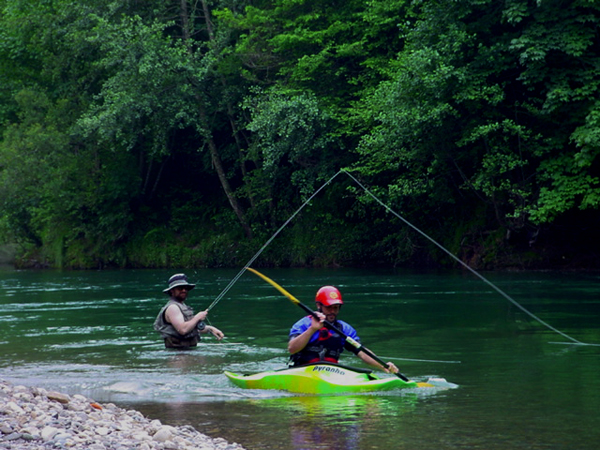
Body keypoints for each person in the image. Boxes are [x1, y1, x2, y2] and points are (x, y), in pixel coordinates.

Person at [288, 285, 399, 374]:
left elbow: (361, 352)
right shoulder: (303, 324)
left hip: (332, 372)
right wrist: (312, 329)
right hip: (303, 371)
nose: (332, 311)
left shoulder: (344, 329)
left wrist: (383, 365)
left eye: (336, 307)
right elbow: (292, 348)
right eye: (329, 307)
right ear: (319, 305)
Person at [154, 273, 224, 349]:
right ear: (172, 291)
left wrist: (210, 329)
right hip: (177, 355)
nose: (184, 290)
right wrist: (198, 317)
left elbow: (191, 327)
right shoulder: (172, 308)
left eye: (186, 288)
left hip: (188, 351)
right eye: (180, 288)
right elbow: (183, 329)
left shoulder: (182, 306)